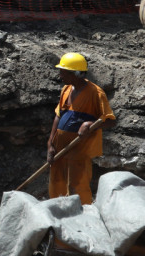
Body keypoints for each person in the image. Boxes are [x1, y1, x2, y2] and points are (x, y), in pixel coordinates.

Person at [46, 52, 115, 204]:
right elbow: (58, 115)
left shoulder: (95, 93)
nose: (60, 75)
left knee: (77, 185)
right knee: (57, 182)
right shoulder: (66, 89)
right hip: (59, 147)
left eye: (64, 72)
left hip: (80, 149)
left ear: (76, 74)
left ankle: (83, 214)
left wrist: (89, 125)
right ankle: (57, 212)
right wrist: (50, 143)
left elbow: (110, 121)